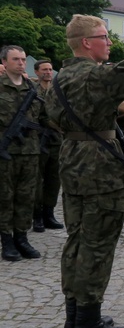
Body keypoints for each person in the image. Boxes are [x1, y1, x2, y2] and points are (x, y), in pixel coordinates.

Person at [44, 15, 124, 328]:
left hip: (72, 161)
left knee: (77, 240)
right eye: (104, 36)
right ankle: (88, 323)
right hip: (100, 169)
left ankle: (74, 319)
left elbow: (58, 118)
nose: (110, 42)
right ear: (86, 42)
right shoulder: (96, 76)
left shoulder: (60, 79)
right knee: (97, 244)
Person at [0, 45, 43, 261]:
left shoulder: (32, 88)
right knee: (5, 196)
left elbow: (43, 117)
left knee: (27, 197)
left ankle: (22, 238)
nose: (21, 63)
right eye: (15, 59)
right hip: (5, 152)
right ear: (4, 62)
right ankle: (7, 241)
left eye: (23, 59)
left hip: (30, 151)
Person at [32, 59, 64, 233]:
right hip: (38, 140)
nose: (48, 72)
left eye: (50, 69)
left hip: (55, 141)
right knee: (37, 181)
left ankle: (49, 214)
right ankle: (36, 216)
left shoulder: (56, 91)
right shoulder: (32, 90)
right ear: (37, 72)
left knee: (53, 179)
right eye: (44, 69)